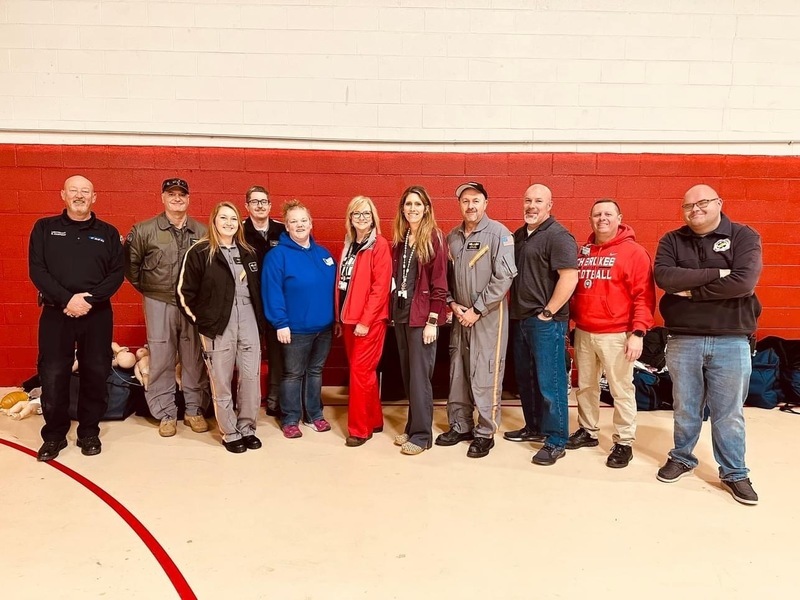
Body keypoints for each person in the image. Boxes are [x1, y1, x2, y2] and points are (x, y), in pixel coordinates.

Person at [654, 184, 762, 505]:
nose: (695, 210)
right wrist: (718, 272)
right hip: (683, 338)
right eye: (688, 205)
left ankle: (734, 472)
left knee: (728, 412)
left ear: (719, 203)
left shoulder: (743, 236)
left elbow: (743, 282)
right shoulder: (672, 240)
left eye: (703, 203)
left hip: (732, 339)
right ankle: (682, 457)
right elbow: (665, 277)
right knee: (685, 406)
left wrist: (692, 291)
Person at [29, 175, 124, 461]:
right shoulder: (45, 228)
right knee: (53, 374)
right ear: (63, 194)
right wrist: (67, 299)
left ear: (94, 197)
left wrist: (88, 301)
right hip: (56, 313)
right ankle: (54, 435)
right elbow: (37, 270)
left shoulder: (108, 233)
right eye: (74, 190)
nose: (79, 195)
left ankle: (89, 432)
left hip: (97, 315)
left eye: (85, 191)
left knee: (96, 372)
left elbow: (116, 274)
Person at [567, 199, 656, 468]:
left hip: (617, 334)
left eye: (608, 214)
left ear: (619, 218)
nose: (602, 218)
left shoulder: (634, 253)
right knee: (586, 387)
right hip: (584, 331)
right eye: (597, 214)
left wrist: (638, 333)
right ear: (590, 219)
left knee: (621, 390)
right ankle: (588, 431)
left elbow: (644, 296)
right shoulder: (583, 252)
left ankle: (624, 441)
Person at [176, 202, 265, 453]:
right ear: (214, 221)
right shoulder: (200, 251)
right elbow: (184, 293)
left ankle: (247, 428)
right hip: (217, 325)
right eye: (223, 218)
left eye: (233, 218)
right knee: (221, 380)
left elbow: (257, 290)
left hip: (248, 319)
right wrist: (202, 321)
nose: (229, 223)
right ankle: (230, 432)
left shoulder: (248, 252)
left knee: (251, 378)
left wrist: (260, 321)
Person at [124, 178, 210, 437]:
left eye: (181, 194)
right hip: (158, 301)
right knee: (161, 357)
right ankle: (165, 413)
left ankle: (194, 409)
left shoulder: (202, 232)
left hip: (191, 305)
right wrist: (151, 290)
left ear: (188, 199)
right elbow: (131, 267)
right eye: (171, 194)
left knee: (194, 358)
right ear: (162, 198)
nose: (177, 198)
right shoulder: (144, 230)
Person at [437, 182, 517, 459]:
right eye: (465, 201)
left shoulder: (499, 234)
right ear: (459, 205)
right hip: (460, 317)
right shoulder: (452, 237)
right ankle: (461, 426)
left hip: (488, 317)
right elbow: (444, 277)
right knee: (458, 371)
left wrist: (477, 310)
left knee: (486, 372)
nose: (470, 206)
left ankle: (485, 432)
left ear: (485, 203)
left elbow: (503, 278)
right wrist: (452, 304)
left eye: (476, 200)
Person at [507, 184, 578, 466]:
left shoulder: (559, 236)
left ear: (550, 205)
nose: (532, 206)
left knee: (551, 383)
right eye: (528, 200)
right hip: (520, 320)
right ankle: (534, 426)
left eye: (538, 201)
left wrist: (548, 312)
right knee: (526, 380)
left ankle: (557, 439)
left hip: (546, 323)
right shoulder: (519, 235)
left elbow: (569, 278)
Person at [262, 200, 336, 439]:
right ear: (287, 226)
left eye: (304, 220)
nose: (300, 225)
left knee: (315, 372)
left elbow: (333, 291)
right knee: (293, 374)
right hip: (295, 330)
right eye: (294, 221)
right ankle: (291, 418)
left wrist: (335, 320)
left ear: (311, 223)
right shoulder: (277, 256)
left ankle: (314, 415)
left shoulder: (324, 254)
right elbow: (272, 291)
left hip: (324, 329)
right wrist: (280, 323)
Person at [390, 186, 448, 456]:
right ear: (402, 209)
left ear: (426, 208)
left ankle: (423, 436)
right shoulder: (401, 239)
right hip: (403, 316)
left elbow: (440, 284)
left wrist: (432, 321)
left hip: (423, 319)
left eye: (417, 204)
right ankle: (413, 426)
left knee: (420, 378)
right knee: (408, 376)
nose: (412, 208)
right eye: (408, 204)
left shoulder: (434, 237)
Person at [335, 196, 392, 447]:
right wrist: (339, 317)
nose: (361, 218)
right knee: (363, 374)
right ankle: (375, 420)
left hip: (369, 322)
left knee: (359, 373)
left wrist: (366, 321)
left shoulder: (379, 245)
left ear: (373, 218)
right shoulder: (348, 244)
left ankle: (360, 429)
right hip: (348, 319)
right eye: (356, 213)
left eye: (366, 214)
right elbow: (342, 283)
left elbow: (380, 288)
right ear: (350, 217)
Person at [241, 185, 286, 418]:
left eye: (264, 201)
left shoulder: (282, 230)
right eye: (254, 201)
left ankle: (274, 401)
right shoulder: (238, 231)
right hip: (249, 301)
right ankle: (246, 403)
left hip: (277, 300)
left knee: (278, 353)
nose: (259, 205)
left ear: (269, 205)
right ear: (246, 206)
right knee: (248, 353)